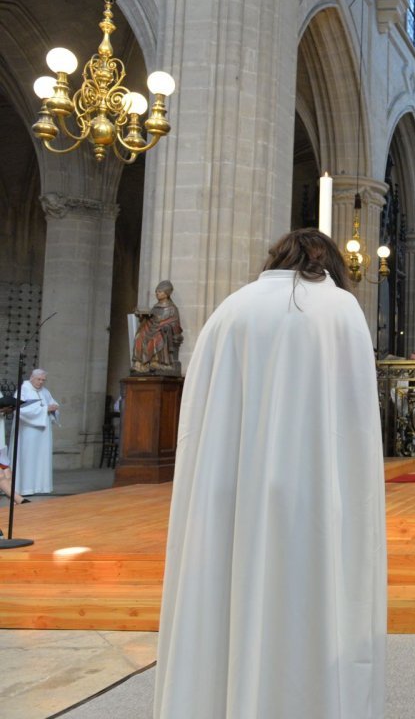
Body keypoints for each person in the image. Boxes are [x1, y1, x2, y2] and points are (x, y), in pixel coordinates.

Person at [154, 228, 387, 719]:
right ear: (325, 258)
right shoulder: (341, 310)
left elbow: (199, 424)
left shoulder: (231, 309)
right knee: (309, 601)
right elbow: (357, 424)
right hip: (314, 495)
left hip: (230, 495)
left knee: (226, 595)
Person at [15, 369, 58, 495]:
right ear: (31, 378)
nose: (41, 382)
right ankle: (25, 488)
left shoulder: (45, 391)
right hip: (29, 431)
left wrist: (54, 408)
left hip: (43, 432)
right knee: (28, 458)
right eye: (39, 379)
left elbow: (53, 403)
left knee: (42, 458)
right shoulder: (23, 389)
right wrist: (45, 409)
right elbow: (20, 410)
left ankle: (41, 487)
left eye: (43, 380)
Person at [132, 280, 183, 374]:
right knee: (139, 335)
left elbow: (175, 324)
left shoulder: (172, 308)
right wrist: (143, 317)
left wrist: (167, 326)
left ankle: (157, 362)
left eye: (159, 292)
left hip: (163, 331)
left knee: (157, 336)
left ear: (167, 293)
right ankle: (141, 364)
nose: (157, 294)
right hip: (152, 329)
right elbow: (151, 321)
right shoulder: (155, 307)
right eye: (156, 291)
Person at [0, 398, 30, 506]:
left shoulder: (1, 414)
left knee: (8, 473)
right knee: (0, 475)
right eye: (12, 409)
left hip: (0, 450)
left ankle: (14, 502)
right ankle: (20, 500)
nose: (12, 411)